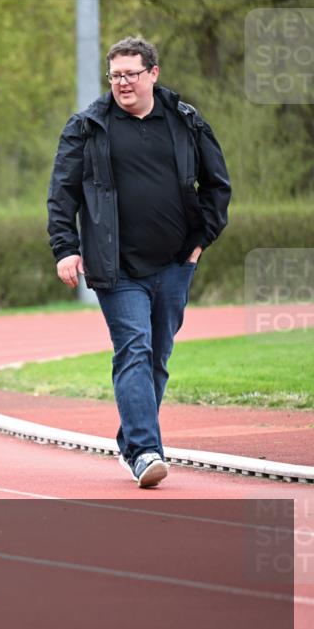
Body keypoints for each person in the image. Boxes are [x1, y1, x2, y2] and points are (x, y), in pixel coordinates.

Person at [47, 37, 231, 488]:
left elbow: (217, 185)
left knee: (158, 358)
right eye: (115, 75)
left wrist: (200, 242)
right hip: (116, 267)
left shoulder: (186, 121)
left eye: (131, 73)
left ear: (153, 73)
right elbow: (62, 193)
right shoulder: (87, 126)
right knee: (134, 348)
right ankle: (146, 451)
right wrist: (65, 247)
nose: (123, 83)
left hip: (174, 263)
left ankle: (132, 437)